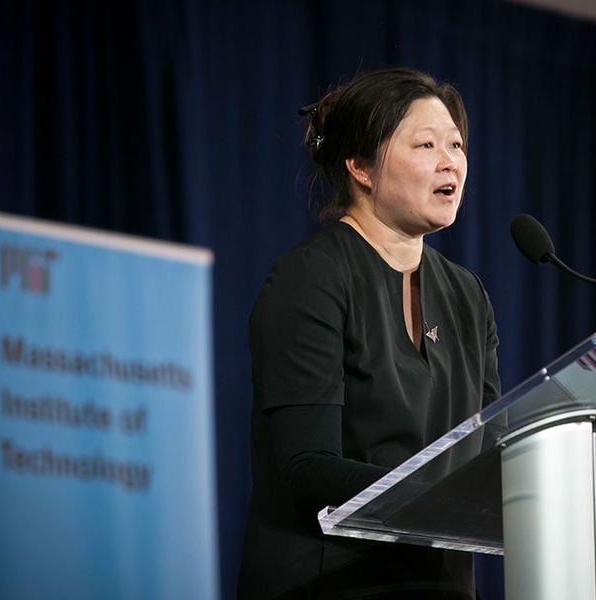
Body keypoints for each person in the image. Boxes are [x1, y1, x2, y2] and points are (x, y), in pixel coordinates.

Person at [237, 66, 502, 599]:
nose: (450, 161)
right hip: (329, 583)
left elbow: (492, 454)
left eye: (455, 144)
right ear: (360, 166)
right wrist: (437, 497)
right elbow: (308, 469)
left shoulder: (467, 295)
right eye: (426, 144)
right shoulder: (313, 276)